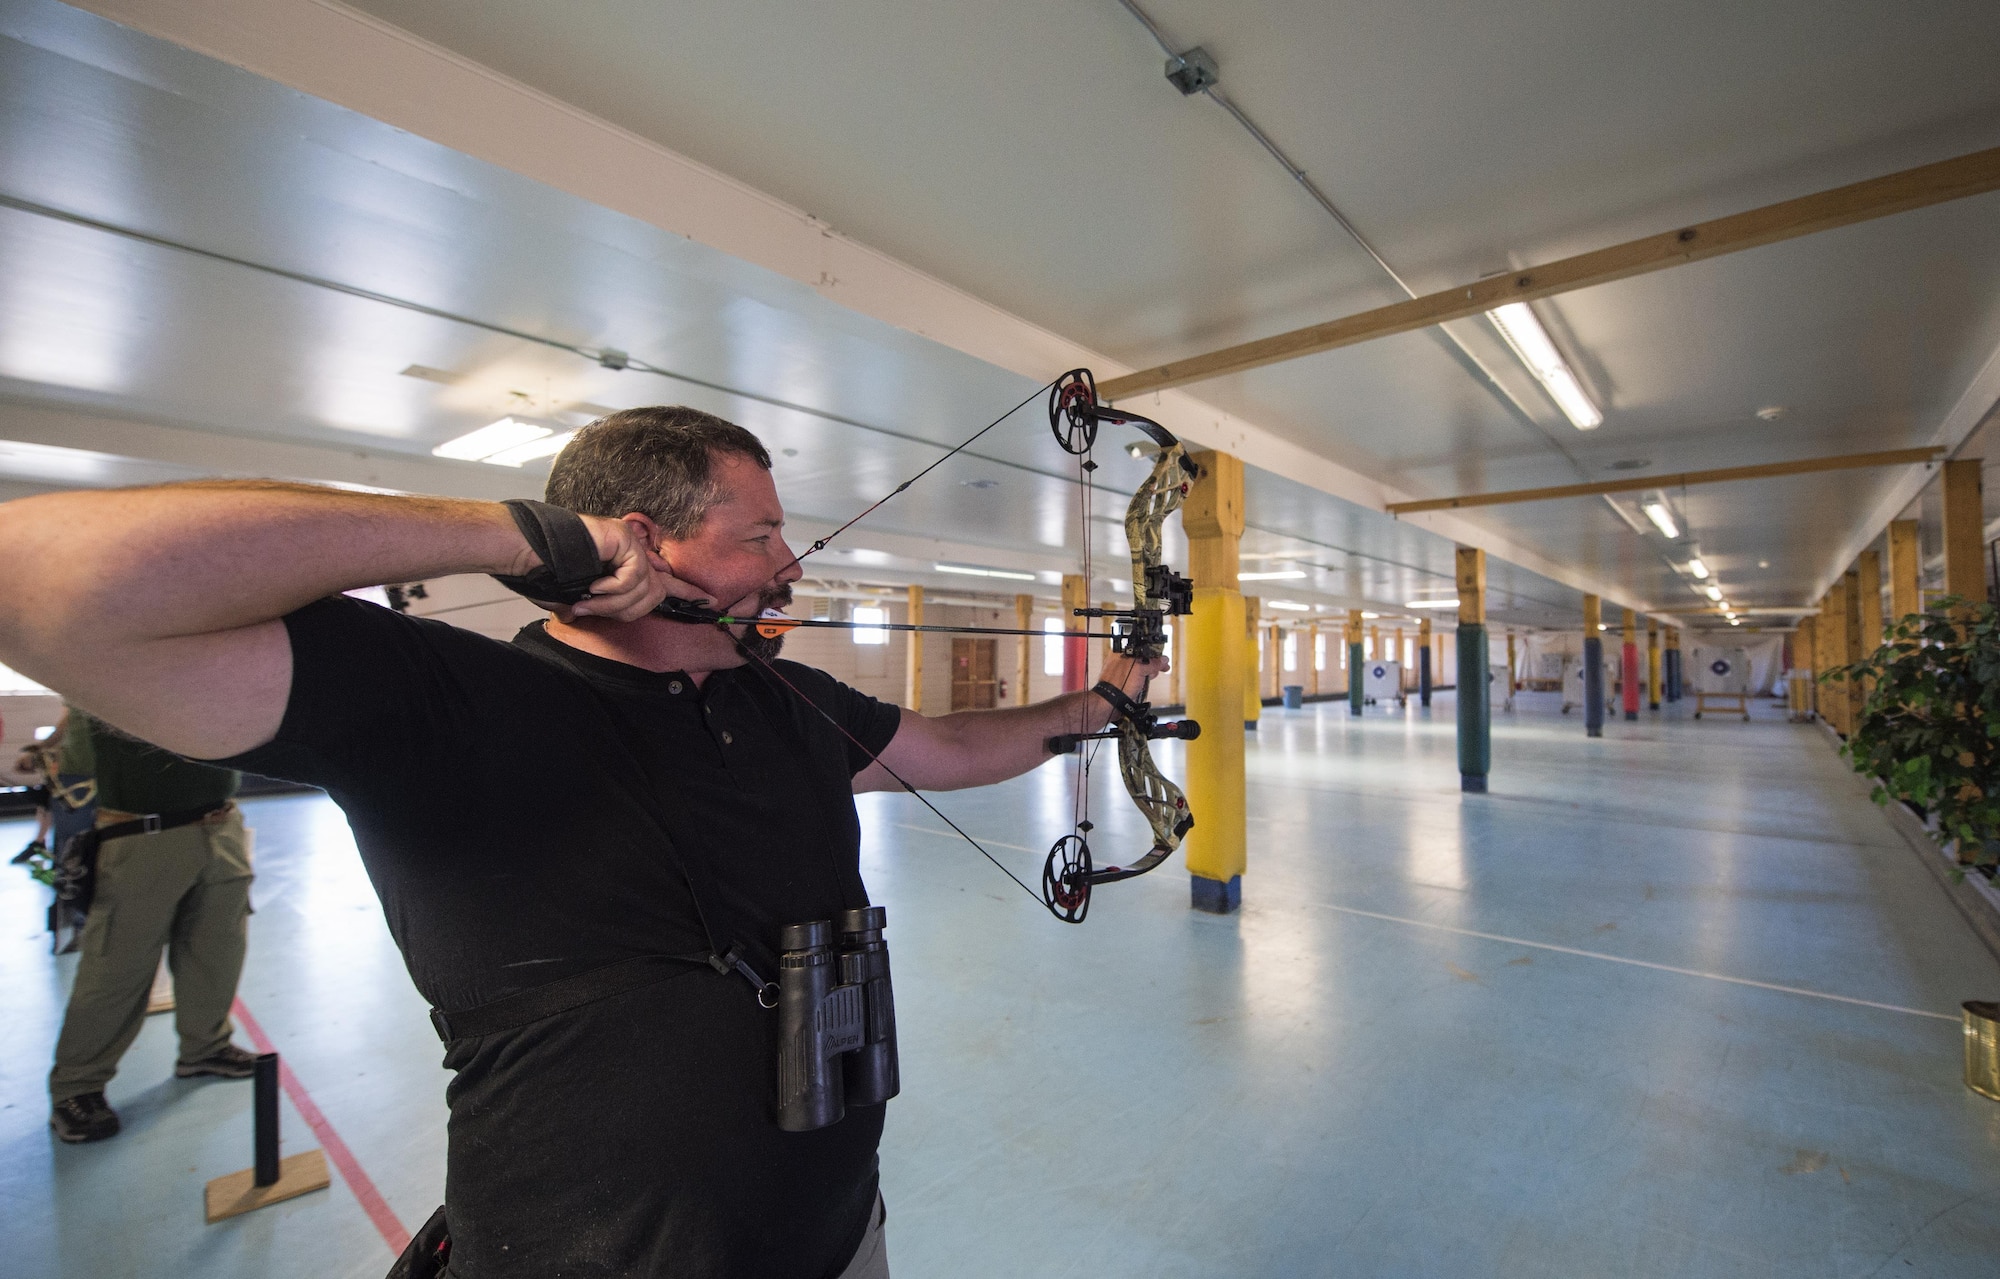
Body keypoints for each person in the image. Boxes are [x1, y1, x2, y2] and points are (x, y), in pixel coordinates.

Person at [0, 408, 1165, 1278]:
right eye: (759, 534)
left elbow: (949, 750)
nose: (789, 565)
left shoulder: (783, 701)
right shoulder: (454, 708)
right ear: (642, 544)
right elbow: (34, 580)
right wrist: (508, 535)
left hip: (835, 1235)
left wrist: (1094, 705)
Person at [45, 710, 259, 1142]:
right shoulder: (109, 663)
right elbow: (75, 756)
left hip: (221, 824)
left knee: (217, 949)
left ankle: (206, 1047)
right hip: (140, 833)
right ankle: (78, 1086)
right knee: (117, 968)